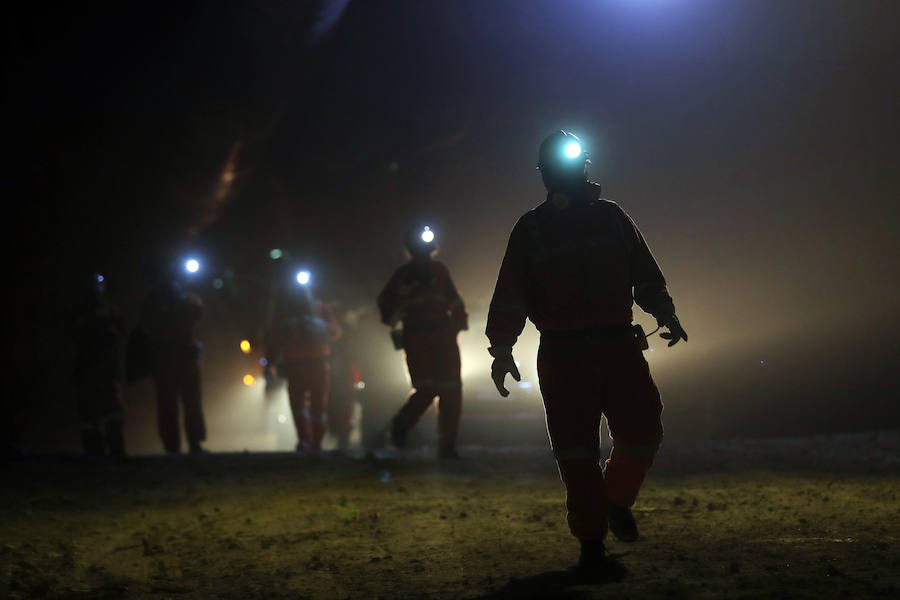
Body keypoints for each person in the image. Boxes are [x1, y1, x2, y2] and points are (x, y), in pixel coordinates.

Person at [485, 131, 688, 579]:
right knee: (576, 454)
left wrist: (665, 312)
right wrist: (501, 348)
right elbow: (510, 294)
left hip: (618, 345)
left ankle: (614, 501)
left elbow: (644, 272)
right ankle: (592, 545)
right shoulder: (531, 230)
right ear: (546, 174)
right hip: (563, 354)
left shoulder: (612, 219)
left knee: (644, 431)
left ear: (582, 167)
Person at [378, 225, 468, 459]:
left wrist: (456, 327)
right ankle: (401, 425)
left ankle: (447, 445)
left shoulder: (439, 271)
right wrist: (399, 305)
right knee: (426, 388)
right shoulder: (402, 277)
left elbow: (455, 302)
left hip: (442, 337)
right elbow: (386, 309)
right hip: (417, 337)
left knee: (451, 390)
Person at [266, 276, 341, 452]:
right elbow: (335, 332)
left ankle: (306, 441)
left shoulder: (283, 312)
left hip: (296, 363)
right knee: (317, 404)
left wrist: (270, 363)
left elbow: (273, 338)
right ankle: (315, 443)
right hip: (317, 361)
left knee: (299, 404)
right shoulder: (320, 308)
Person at [140, 264, 207, 454]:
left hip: (172, 359)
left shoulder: (160, 301)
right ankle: (184, 444)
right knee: (183, 403)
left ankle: (179, 445)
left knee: (176, 404)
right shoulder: (161, 301)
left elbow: (198, 313)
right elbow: (198, 313)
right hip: (173, 359)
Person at [71, 272, 126, 457]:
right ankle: (96, 450)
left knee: (110, 411)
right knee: (91, 413)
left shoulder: (110, 311)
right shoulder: (79, 313)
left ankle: (114, 449)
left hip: (103, 368)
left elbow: (121, 333)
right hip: (90, 368)